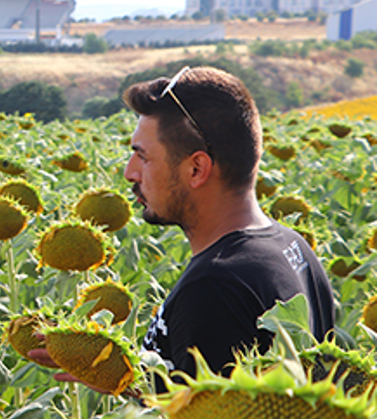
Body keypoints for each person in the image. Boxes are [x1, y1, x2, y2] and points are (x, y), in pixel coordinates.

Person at [36, 66, 335, 392]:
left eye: (143, 157)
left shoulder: (213, 288)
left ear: (196, 169)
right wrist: (119, 377)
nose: (129, 172)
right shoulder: (292, 246)